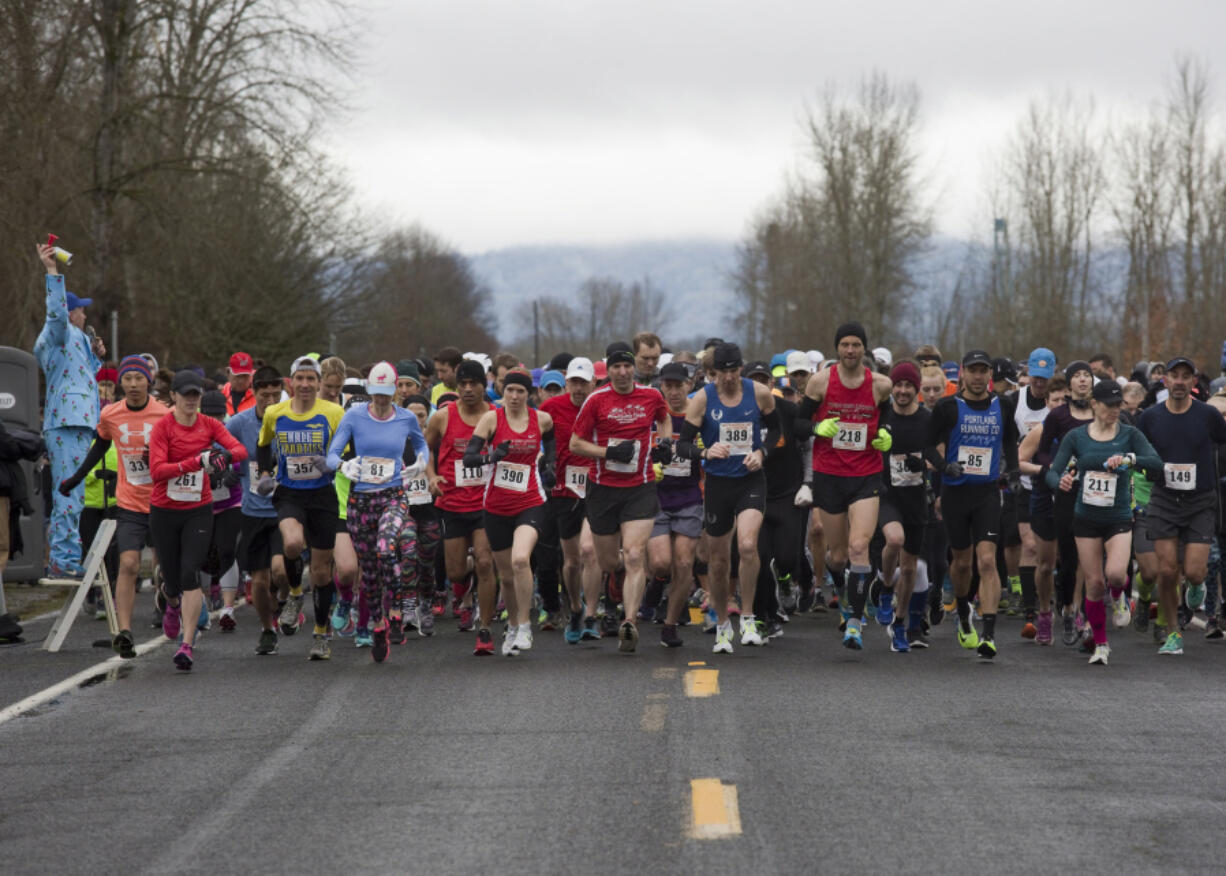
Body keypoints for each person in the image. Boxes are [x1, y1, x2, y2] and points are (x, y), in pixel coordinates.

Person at [1045, 380, 1163, 664]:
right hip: (1085, 518)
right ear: (1094, 404)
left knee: (1114, 574)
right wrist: (1058, 481)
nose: (1114, 410)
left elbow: (1156, 463)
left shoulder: (1129, 434)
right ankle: (1101, 644)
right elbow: (1052, 471)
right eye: (1109, 405)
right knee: (1095, 584)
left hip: (1119, 517)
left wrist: (1130, 459)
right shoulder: (1077, 437)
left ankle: (1121, 595)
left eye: (1118, 405)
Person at [58, 355, 165, 656]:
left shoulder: (164, 414)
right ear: (121, 383)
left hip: (161, 501)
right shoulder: (111, 415)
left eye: (139, 378)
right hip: (128, 502)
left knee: (166, 568)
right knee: (128, 564)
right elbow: (101, 445)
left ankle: (168, 600)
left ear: (149, 381)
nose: (133, 385)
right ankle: (125, 632)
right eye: (128, 379)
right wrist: (75, 478)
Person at [796, 322, 894, 650]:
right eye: (845, 345)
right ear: (837, 348)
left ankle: (854, 620)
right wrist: (816, 428)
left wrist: (886, 436)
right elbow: (796, 424)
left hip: (866, 474)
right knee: (837, 557)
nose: (850, 350)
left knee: (858, 548)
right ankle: (842, 588)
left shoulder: (880, 385)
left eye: (856, 345)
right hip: (830, 475)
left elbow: (891, 421)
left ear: (864, 349)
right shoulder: (821, 382)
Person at [570, 341, 673, 653]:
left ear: (634, 368)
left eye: (627, 366)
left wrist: (665, 442)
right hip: (602, 489)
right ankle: (614, 582)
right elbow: (576, 444)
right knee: (607, 560)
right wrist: (608, 452)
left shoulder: (651, 395)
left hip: (640, 488)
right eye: (616, 367)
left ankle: (629, 622)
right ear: (609, 370)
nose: (623, 372)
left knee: (633, 554)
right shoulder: (596, 401)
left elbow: (664, 417)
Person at [676, 342, 779, 652]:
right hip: (719, 484)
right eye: (725, 373)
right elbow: (683, 446)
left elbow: (776, 431)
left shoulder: (758, 393)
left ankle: (747, 616)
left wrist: (762, 452)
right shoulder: (702, 400)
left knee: (747, 545)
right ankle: (722, 623)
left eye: (736, 372)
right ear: (713, 373)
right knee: (719, 561)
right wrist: (706, 451)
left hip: (750, 480)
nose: (731, 378)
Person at [326, 361, 429, 663]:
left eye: (387, 393)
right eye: (377, 393)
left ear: (396, 390)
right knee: (369, 574)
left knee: (386, 547)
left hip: (394, 496)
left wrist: (420, 463)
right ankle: (379, 626)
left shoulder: (407, 417)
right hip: (361, 502)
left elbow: (422, 445)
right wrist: (344, 465)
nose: (382, 399)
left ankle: (396, 611)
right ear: (370, 390)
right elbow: (332, 454)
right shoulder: (355, 415)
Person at [148, 370, 247, 670]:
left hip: (198, 509)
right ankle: (171, 601)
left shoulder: (210, 425)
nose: (192, 400)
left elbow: (239, 450)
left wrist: (222, 458)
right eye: (186, 395)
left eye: (196, 395)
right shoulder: (163, 428)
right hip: (165, 510)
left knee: (191, 571)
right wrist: (196, 461)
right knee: (173, 576)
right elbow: (157, 471)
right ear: (174, 397)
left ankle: (187, 644)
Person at [925, 349, 1019, 660]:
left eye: (984, 371)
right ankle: (964, 612)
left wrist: (1014, 471)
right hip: (955, 494)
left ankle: (989, 634)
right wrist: (942, 465)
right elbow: (927, 443)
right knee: (962, 563)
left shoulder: (1002, 405)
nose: (978, 377)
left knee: (987, 561)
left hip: (988, 494)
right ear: (963, 373)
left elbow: (1009, 440)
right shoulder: (948, 407)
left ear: (990, 374)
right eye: (973, 371)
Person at [255, 356, 345, 653]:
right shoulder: (274, 413)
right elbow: (263, 444)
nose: (305, 384)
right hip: (289, 492)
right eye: (300, 378)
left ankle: (321, 634)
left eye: (311, 379)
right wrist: (266, 473)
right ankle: (294, 593)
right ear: (290, 383)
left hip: (322, 495)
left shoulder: (334, 413)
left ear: (319, 383)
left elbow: (346, 450)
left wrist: (332, 463)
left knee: (321, 572)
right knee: (292, 544)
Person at [1137, 356, 1226, 655]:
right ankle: (1173, 632)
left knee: (1196, 571)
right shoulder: (1149, 417)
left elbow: (1221, 443)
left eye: (1185, 376)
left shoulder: (1208, 416)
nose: (1178, 381)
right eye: (1173, 375)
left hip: (1200, 499)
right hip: (1164, 498)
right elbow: (1139, 451)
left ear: (1193, 382)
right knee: (1166, 570)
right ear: (1165, 381)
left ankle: (1195, 586)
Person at [463, 369, 554, 656]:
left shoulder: (542, 419)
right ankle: (513, 625)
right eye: (510, 391)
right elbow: (468, 459)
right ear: (503, 392)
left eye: (520, 392)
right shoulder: (492, 419)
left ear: (530, 395)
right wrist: (492, 456)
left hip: (530, 500)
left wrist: (548, 467)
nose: (514, 397)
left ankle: (525, 626)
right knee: (507, 576)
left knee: (519, 560)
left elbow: (551, 444)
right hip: (496, 506)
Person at [33, 240, 105, 577]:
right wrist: (52, 270)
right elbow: (56, 313)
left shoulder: (76, 339)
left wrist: (97, 356)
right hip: (66, 421)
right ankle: (62, 559)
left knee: (72, 487)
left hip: (79, 420)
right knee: (68, 487)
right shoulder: (57, 332)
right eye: (82, 309)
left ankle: (67, 555)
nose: (85, 314)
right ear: (71, 311)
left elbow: (84, 376)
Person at [425, 358, 498, 654]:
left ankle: (485, 629)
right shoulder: (443, 416)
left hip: (485, 503)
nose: (468, 389)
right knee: (455, 572)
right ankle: (466, 586)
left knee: (484, 561)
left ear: (484, 386)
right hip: (452, 502)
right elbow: (423, 449)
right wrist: (432, 476)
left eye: (474, 384)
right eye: (463, 384)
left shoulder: (495, 416)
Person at [537, 357, 601, 643]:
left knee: (590, 550)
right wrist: (542, 464)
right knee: (572, 561)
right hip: (563, 491)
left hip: (597, 487)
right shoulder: (550, 409)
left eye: (583, 382)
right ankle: (575, 607)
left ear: (593, 383)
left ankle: (592, 614)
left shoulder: (602, 406)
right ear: (567, 383)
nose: (578, 388)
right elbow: (536, 441)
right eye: (573, 382)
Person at [226, 365, 289, 655]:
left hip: (284, 509)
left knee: (280, 570)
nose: (271, 401)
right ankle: (268, 628)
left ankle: (288, 600)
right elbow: (220, 448)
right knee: (261, 583)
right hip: (253, 511)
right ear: (255, 393)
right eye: (266, 395)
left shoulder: (291, 419)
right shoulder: (239, 423)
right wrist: (226, 469)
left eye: (276, 395)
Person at [647, 361, 704, 647]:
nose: (673, 391)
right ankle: (656, 582)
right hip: (656, 497)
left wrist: (703, 452)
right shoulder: (653, 415)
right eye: (667, 385)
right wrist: (650, 465)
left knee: (684, 562)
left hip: (689, 497)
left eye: (678, 385)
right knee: (661, 563)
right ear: (661, 386)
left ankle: (669, 624)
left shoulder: (699, 413)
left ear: (689, 385)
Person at [877, 361, 930, 653]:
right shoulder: (882, 416)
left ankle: (899, 622)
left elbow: (939, 456)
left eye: (909, 385)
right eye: (898, 385)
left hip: (915, 498)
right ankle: (886, 586)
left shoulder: (926, 420)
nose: (903, 390)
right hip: (887, 493)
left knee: (909, 569)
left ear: (916, 388)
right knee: (894, 540)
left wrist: (924, 463)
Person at [223, 352, 257, 417]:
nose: (241, 381)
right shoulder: (221, 396)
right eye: (237, 376)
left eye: (245, 376)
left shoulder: (258, 397)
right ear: (228, 373)